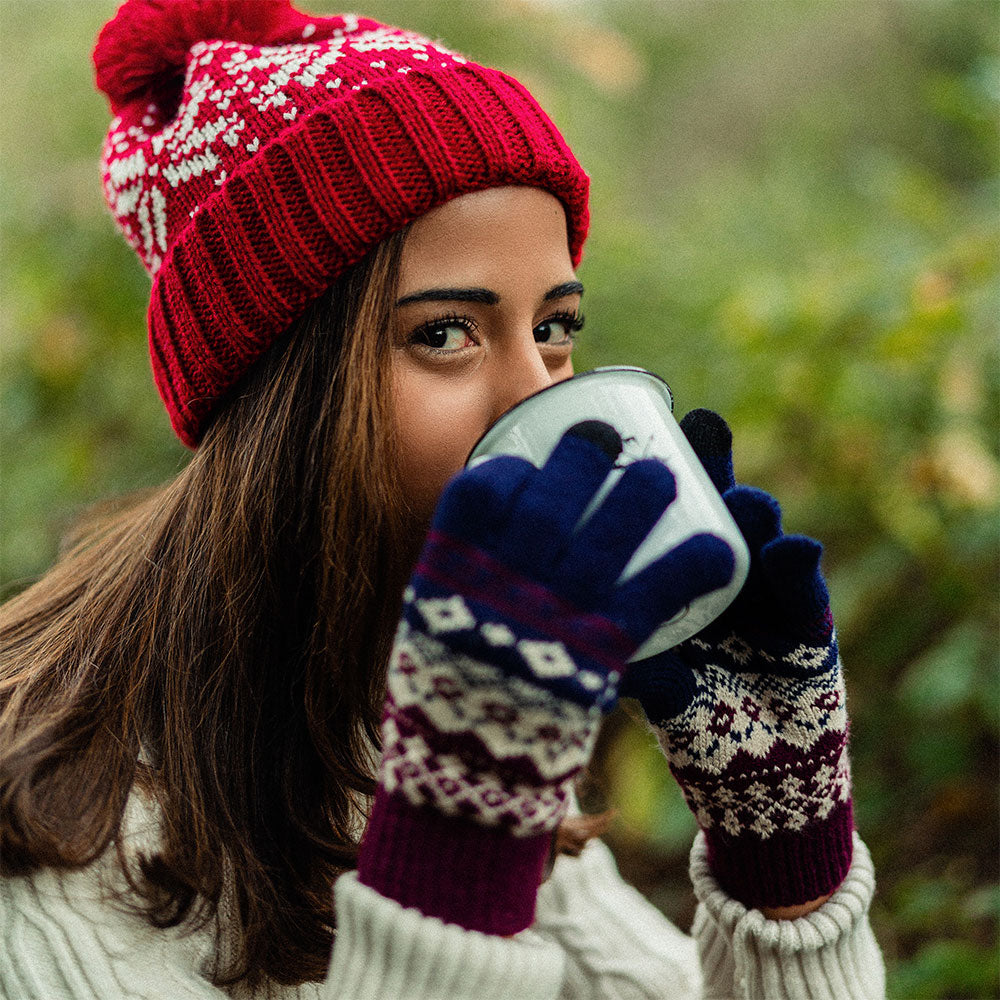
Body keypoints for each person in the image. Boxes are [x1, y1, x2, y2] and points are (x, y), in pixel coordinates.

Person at [0, 2, 886, 998]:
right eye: (445, 334)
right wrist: (452, 873)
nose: (540, 400)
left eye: (556, 328)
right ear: (282, 391)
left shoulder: (424, 721)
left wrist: (785, 873)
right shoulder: (48, 864)